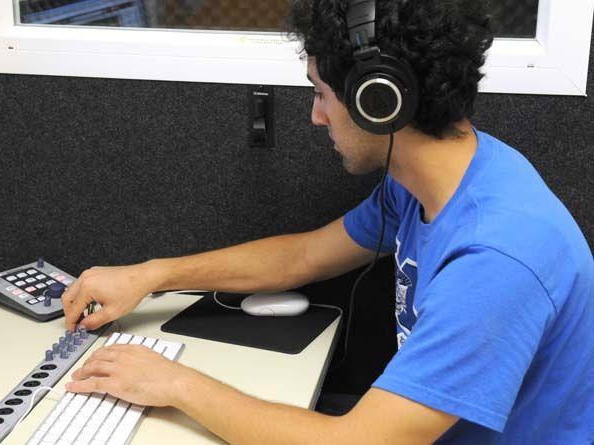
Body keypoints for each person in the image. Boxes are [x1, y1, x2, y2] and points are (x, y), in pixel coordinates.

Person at [62, 0, 594, 443]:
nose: (316, 116)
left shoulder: (497, 257)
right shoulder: (436, 180)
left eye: (320, 92)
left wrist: (175, 384)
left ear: (379, 101)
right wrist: (149, 275)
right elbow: (304, 256)